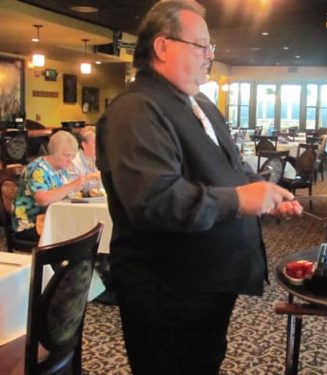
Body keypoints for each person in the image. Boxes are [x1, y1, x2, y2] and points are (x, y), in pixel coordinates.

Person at [95, 1, 303, 374]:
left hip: (206, 283)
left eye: (211, 47)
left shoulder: (199, 102)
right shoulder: (136, 109)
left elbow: (229, 167)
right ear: (162, 46)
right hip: (167, 290)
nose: (209, 56)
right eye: (200, 46)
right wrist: (240, 200)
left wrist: (264, 193)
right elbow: (154, 200)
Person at [12, 130, 100, 241]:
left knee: (91, 228)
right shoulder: (37, 168)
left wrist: (85, 181)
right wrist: (73, 184)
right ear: (54, 152)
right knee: (81, 234)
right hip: (32, 224)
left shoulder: (61, 169)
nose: (71, 160)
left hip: (54, 219)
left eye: (72, 155)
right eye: (66, 155)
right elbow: (43, 200)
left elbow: (65, 193)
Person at [67, 126, 103, 193]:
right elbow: (72, 191)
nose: (99, 146)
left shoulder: (101, 159)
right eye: (95, 143)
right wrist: (88, 178)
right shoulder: (73, 162)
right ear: (84, 145)